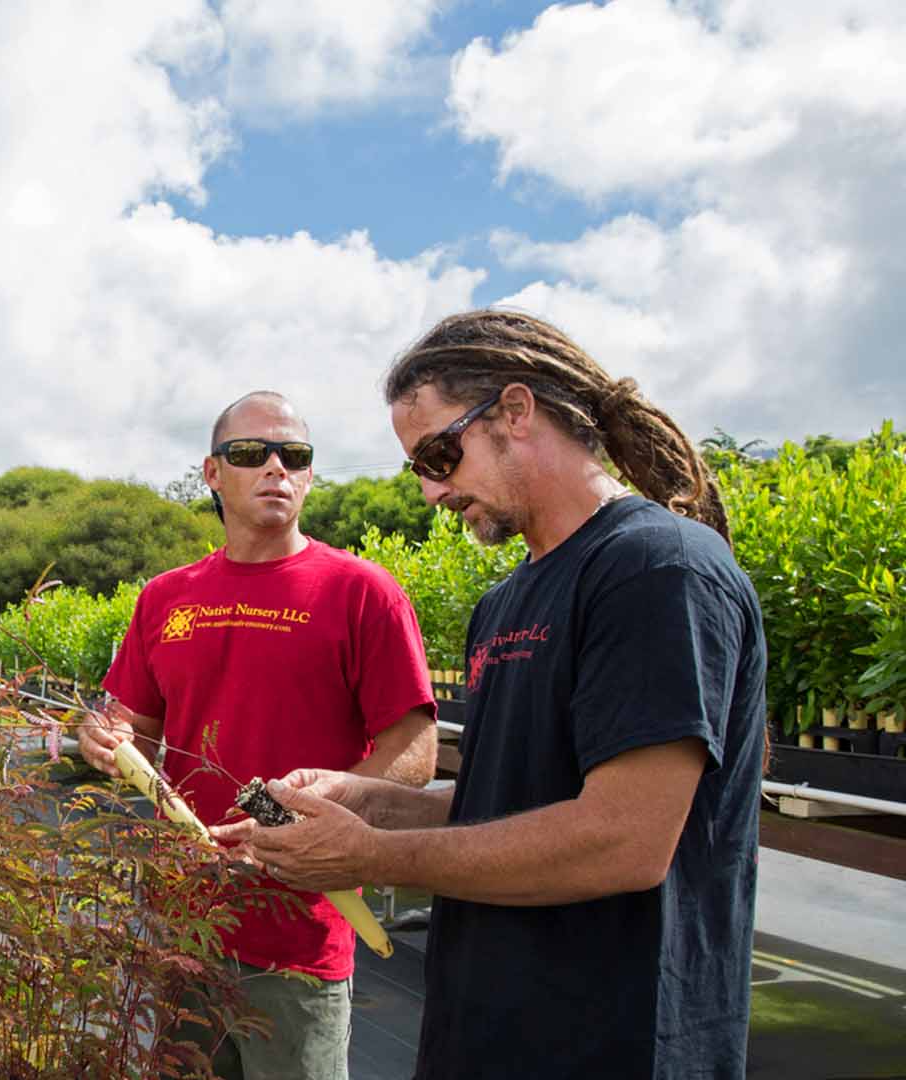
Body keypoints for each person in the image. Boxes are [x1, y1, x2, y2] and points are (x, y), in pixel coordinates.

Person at [225, 311, 766, 1079]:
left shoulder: (656, 570)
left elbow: (625, 839)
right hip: (487, 1033)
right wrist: (365, 801)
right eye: (417, 466)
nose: (431, 490)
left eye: (441, 454)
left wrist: (375, 855)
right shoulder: (506, 601)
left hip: (616, 1043)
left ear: (517, 411)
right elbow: (513, 797)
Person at [79, 390, 439, 1080]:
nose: (276, 466)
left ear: (308, 476)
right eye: (251, 453)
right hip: (184, 927)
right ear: (212, 474)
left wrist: (321, 818)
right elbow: (133, 728)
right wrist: (102, 738)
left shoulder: (362, 592)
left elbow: (414, 753)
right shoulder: (165, 597)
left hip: (299, 934)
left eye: (294, 455)